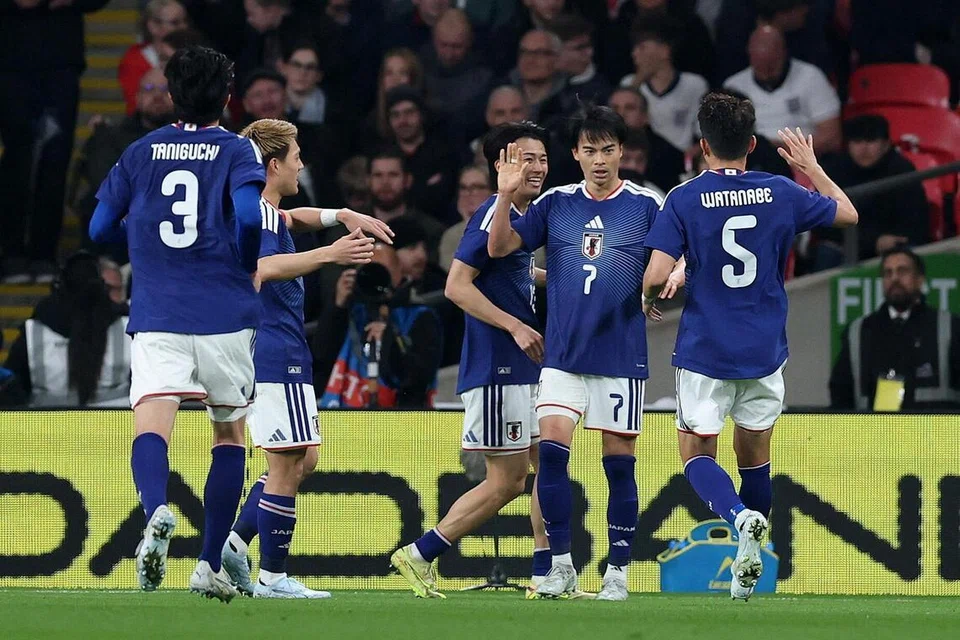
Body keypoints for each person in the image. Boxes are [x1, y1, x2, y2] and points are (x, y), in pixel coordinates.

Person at [641, 92, 858, 601]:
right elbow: (847, 213)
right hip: (764, 349)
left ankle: (739, 518)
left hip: (706, 349)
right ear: (753, 144)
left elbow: (653, 274)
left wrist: (650, 296)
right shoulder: (781, 191)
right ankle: (749, 556)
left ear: (702, 146)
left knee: (696, 452)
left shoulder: (684, 198)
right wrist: (811, 167)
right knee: (755, 456)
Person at [88, 46, 267, 602]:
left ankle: (155, 510)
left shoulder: (140, 151)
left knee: (151, 423)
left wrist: (140, 241)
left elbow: (97, 229)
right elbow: (247, 216)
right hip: (225, 313)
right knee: (228, 433)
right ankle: (209, 564)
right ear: (227, 97)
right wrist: (245, 260)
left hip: (159, 311)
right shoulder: (237, 149)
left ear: (170, 95)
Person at [486, 105, 684, 601]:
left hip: (620, 355)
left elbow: (679, 256)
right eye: (590, 150)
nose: (599, 160)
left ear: (622, 152)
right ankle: (560, 566)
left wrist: (669, 278)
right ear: (575, 153)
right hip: (563, 356)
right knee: (551, 458)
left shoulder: (647, 204)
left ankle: (618, 571)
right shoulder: (555, 203)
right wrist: (505, 195)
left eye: (608, 150)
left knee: (619, 466)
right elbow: (498, 249)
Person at [219, 118, 393, 599]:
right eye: (296, 156)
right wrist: (330, 255)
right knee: (288, 461)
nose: (302, 164)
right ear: (274, 165)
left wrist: (343, 214)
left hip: (278, 345)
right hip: (273, 347)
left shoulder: (264, 211)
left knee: (303, 457)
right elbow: (260, 268)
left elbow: (297, 219)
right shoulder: (256, 214)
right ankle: (272, 576)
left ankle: (234, 544)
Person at [389, 122, 552, 599]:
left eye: (542, 158)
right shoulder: (489, 216)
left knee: (550, 467)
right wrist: (515, 325)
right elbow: (456, 286)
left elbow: (515, 270)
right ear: (502, 164)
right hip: (499, 364)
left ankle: (549, 573)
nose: (537, 167)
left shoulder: (521, 214)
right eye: (526, 158)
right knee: (507, 482)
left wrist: (566, 277)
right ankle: (420, 553)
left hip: (525, 365)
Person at [830, 247, 960, 411]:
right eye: (888, 273)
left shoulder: (950, 327)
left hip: (934, 428)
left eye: (902, 271)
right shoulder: (859, 331)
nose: (894, 278)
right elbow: (840, 396)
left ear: (919, 280)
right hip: (876, 428)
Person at [2, 251, 130, 407]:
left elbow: (12, 391)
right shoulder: (126, 327)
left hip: (46, 422)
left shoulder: (33, 331)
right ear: (101, 287)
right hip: (118, 421)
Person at [723, 25, 842, 154]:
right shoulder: (733, 86)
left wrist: (782, 150)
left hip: (801, 158)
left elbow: (832, 137)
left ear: (783, 53)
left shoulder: (811, 78)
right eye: (760, 66)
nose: (766, 74)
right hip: (750, 158)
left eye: (770, 66)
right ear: (750, 55)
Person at [118, 0, 188, 115]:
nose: (184, 27)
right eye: (175, 23)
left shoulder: (196, 55)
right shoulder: (134, 60)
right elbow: (135, 105)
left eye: (185, 21)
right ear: (153, 26)